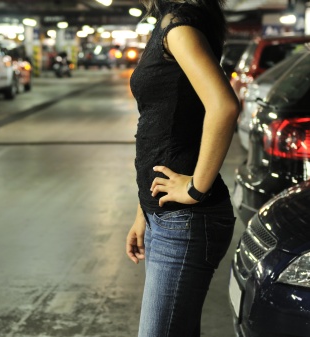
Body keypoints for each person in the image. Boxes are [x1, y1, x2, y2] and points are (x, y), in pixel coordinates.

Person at [125, 1, 240, 337]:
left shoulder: (179, 27)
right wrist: (141, 213)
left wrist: (195, 188)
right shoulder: (168, 23)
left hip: (185, 221)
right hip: (165, 216)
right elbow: (161, 128)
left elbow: (224, 106)